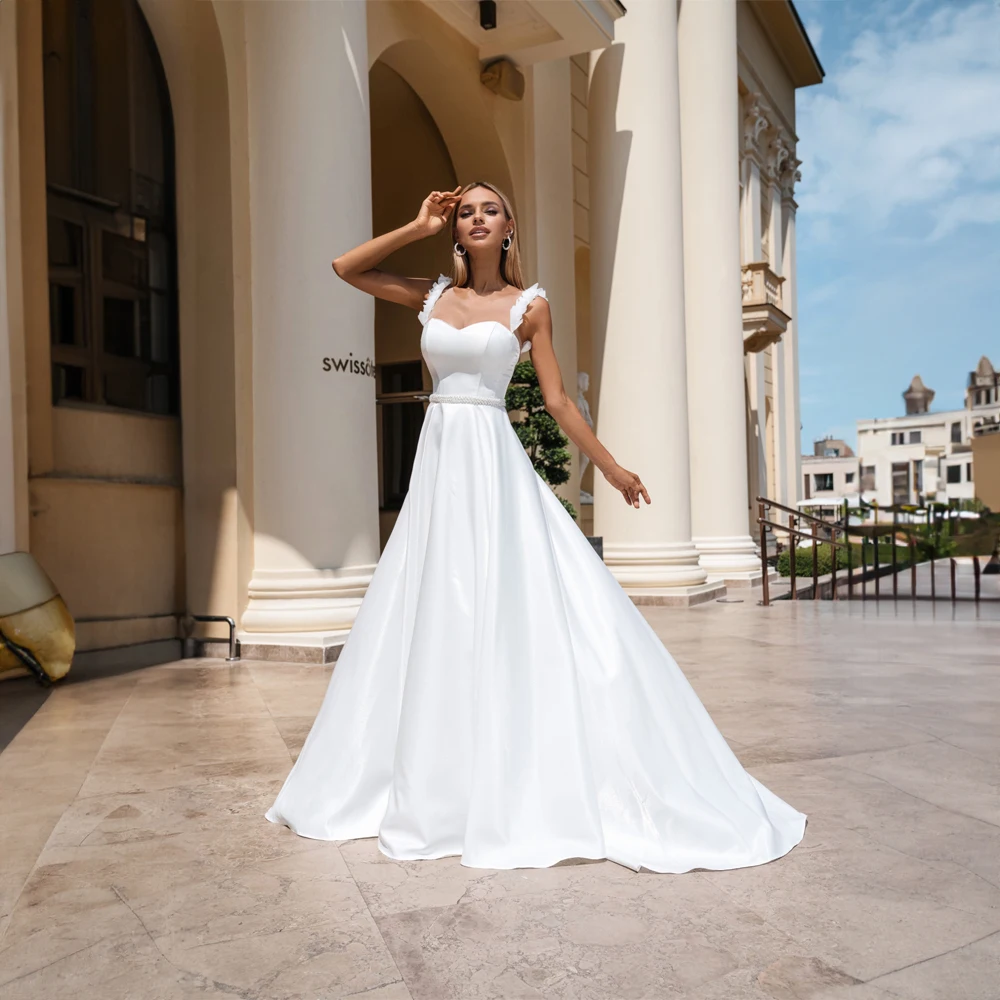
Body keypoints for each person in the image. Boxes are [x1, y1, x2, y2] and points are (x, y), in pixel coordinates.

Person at [265, 181, 807, 873]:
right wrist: (414, 223)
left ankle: (511, 772)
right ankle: (429, 782)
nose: (477, 219)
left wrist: (609, 467)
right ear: (456, 229)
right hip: (438, 468)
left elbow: (556, 399)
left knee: (503, 604)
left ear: (509, 226)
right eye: (466, 212)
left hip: (491, 460)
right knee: (431, 605)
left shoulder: (529, 306)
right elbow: (347, 268)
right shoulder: (432, 297)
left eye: (489, 209)